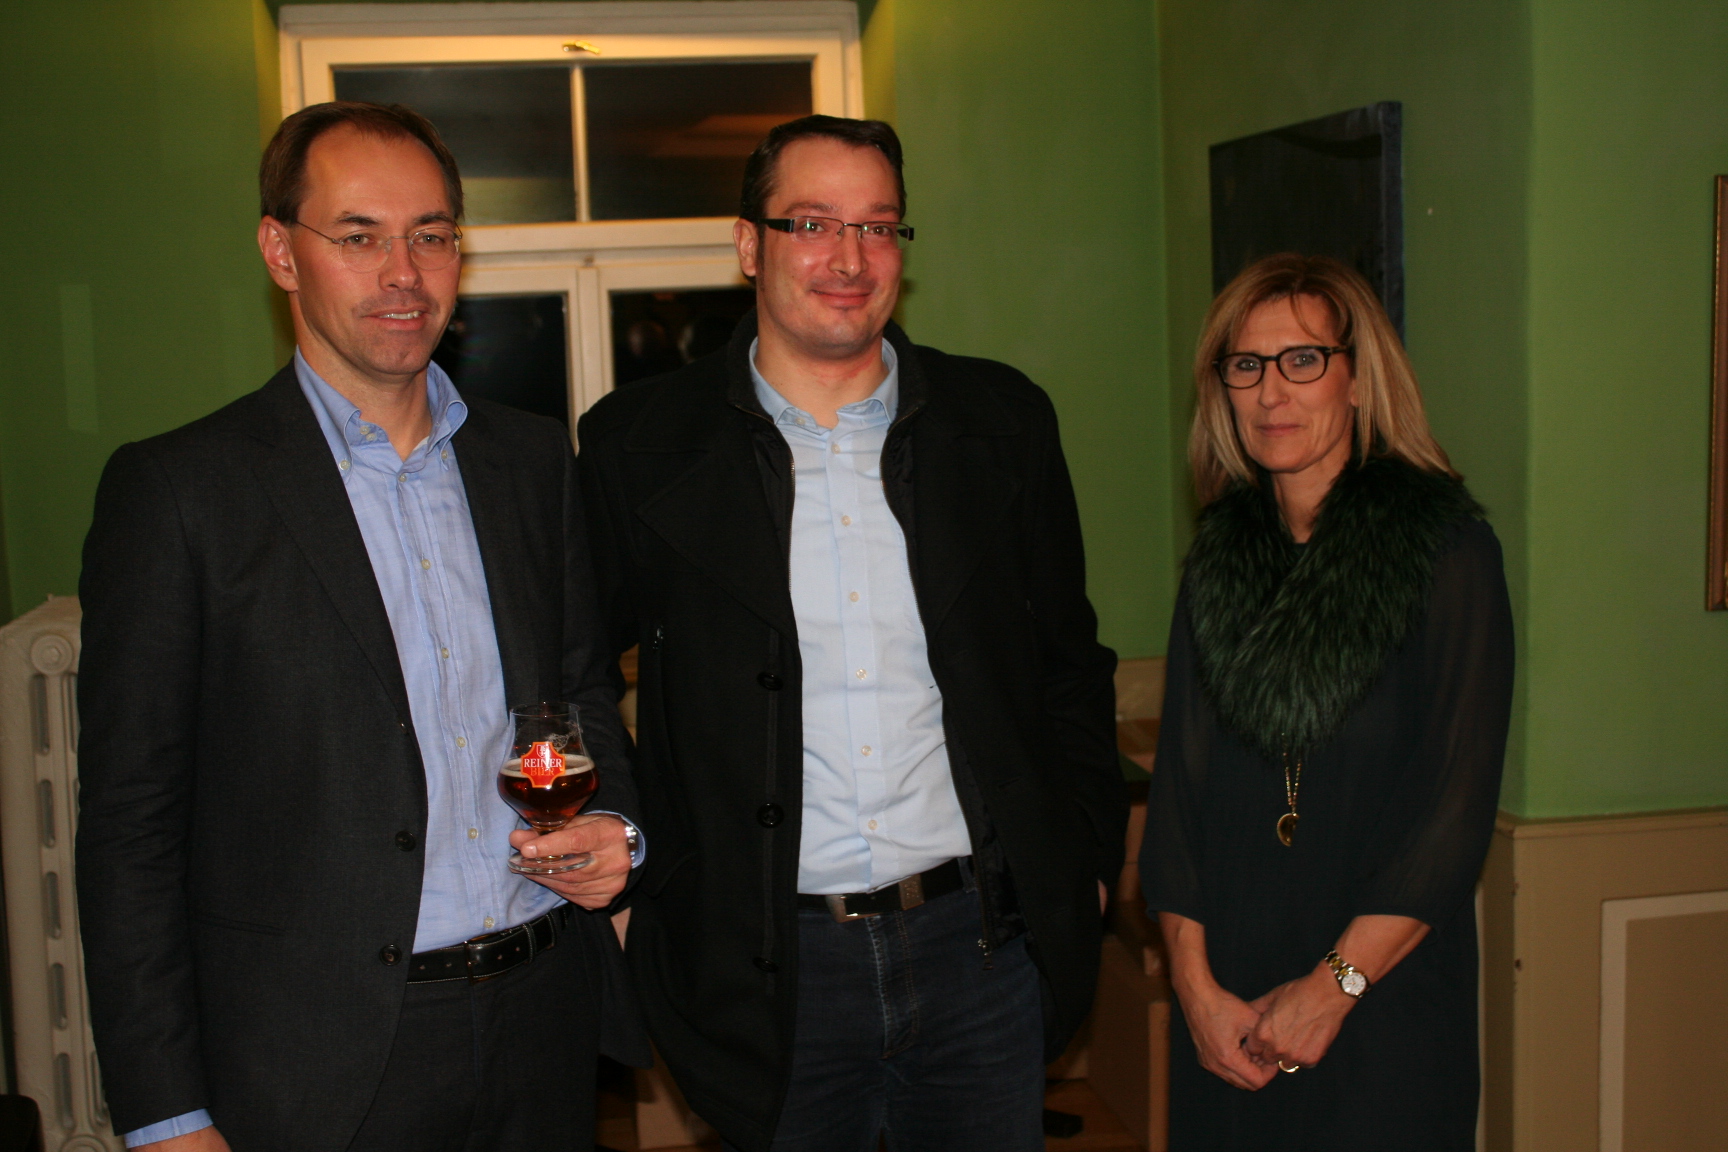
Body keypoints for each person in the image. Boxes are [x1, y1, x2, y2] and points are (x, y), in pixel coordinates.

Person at [75, 102, 647, 1152]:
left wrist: (614, 825)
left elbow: (581, 692)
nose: (403, 272)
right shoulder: (181, 493)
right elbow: (130, 829)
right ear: (279, 252)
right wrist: (166, 1114)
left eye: (431, 234)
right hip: (316, 1063)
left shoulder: (529, 463)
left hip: (542, 1022)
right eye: (359, 236)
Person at [577, 115, 1126, 1152]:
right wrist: (634, 878)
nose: (850, 258)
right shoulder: (638, 445)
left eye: (878, 226)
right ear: (750, 245)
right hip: (768, 969)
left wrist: (1086, 858)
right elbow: (576, 676)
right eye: (814, 223)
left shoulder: (1001, 424)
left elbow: (1069, 662)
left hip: (981, 951)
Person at [1140, 253, 1514, 1149]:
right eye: (1247, 364)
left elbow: (1453, 817)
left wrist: (1332, 988)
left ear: (1358, 378)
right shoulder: (1218, 563)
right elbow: (1176, 805)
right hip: (1225, 1007)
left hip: (1381, 1002)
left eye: (1303, 360)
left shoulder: (1445, 554)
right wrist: (1193, 988)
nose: (1272, 391)